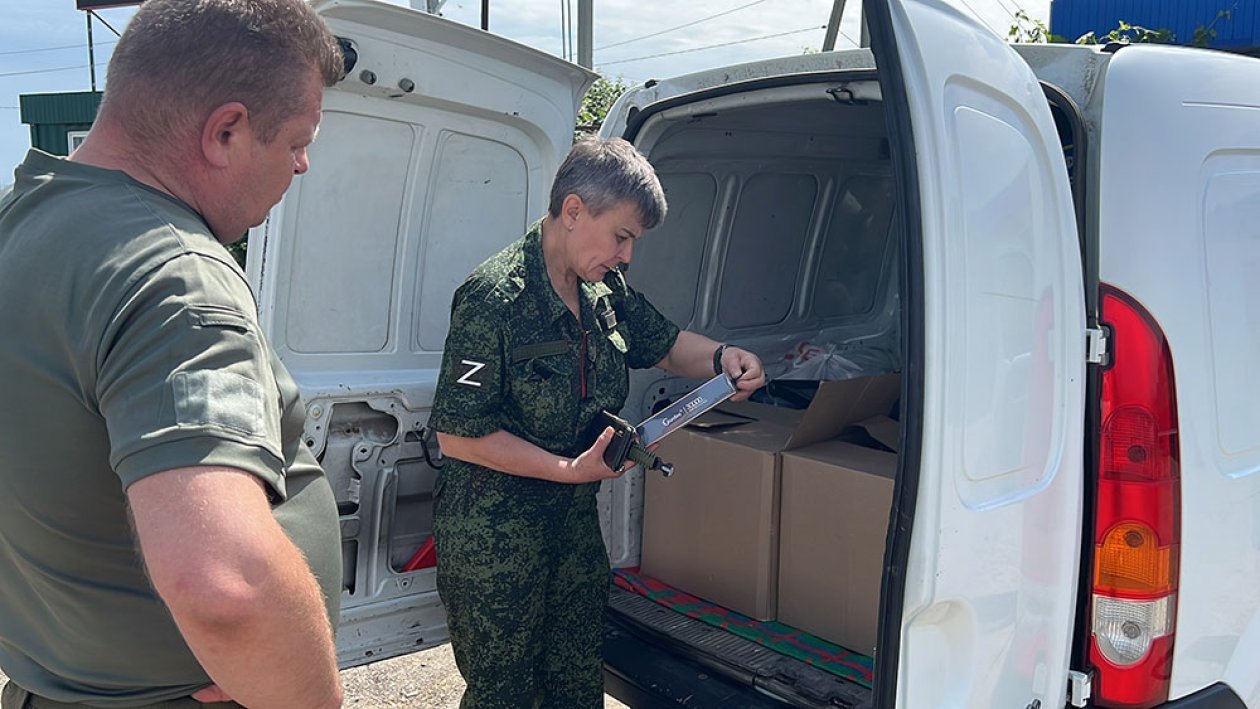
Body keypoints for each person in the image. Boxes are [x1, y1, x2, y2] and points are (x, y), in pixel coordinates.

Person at [0, 2, 346, 707]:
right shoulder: (173, 276)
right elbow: (226, 587)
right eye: (298, 141)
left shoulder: (22, 219)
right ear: (226, 131)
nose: (304, 165)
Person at [430, 137, 766, 708]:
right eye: (623, 235)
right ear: (574, 210)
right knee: (505, 696)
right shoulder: (494, 298)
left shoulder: (601, 289)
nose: (627, 254)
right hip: (496, 542)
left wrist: (721, 358)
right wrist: (566, 469)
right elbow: (459, 434)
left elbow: (663, 344)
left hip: (573, 530)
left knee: (577, 685)